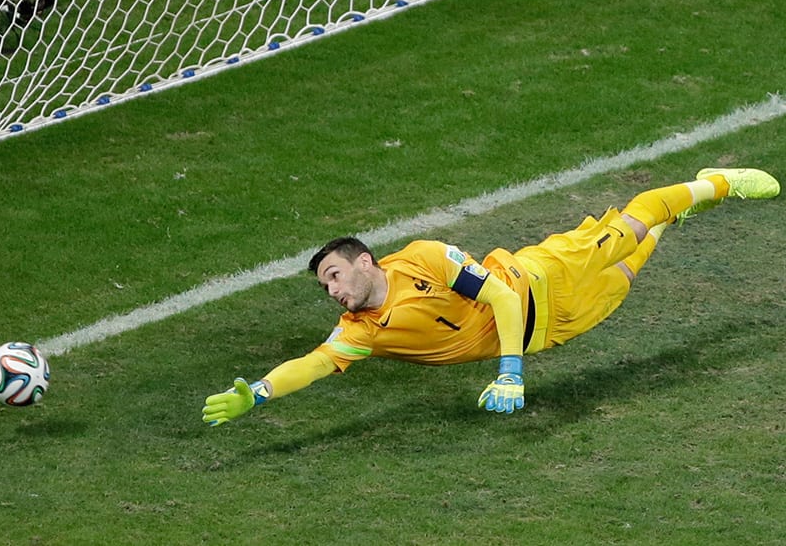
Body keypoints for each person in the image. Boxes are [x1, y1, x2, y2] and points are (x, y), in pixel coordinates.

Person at [202, 168, 780, 425]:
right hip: (553, 328)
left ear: (364, 261)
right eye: (324, 285)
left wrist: (509, 373)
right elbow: (311, 365)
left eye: (333, 274)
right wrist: (256, 394)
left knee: (623, 231)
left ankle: (718, 183)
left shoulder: (426, 257)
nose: (331, 290)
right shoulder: (361, 333)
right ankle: (679, 212)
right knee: (627, 274)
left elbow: (501, 296)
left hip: (537, 278)